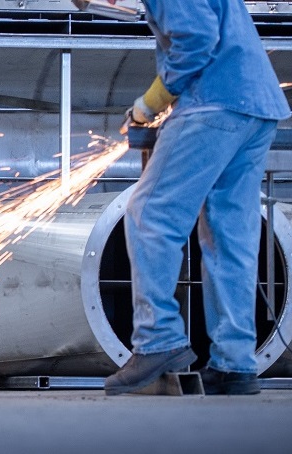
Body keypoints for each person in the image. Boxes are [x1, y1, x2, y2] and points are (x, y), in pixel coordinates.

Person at [100, 0, 291, 395]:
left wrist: (150, 103)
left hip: (214, 101)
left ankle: (158, 341)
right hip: (255, 105)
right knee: (230, 235)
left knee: (150, 215)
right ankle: (235, 365)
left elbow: (196, 40)